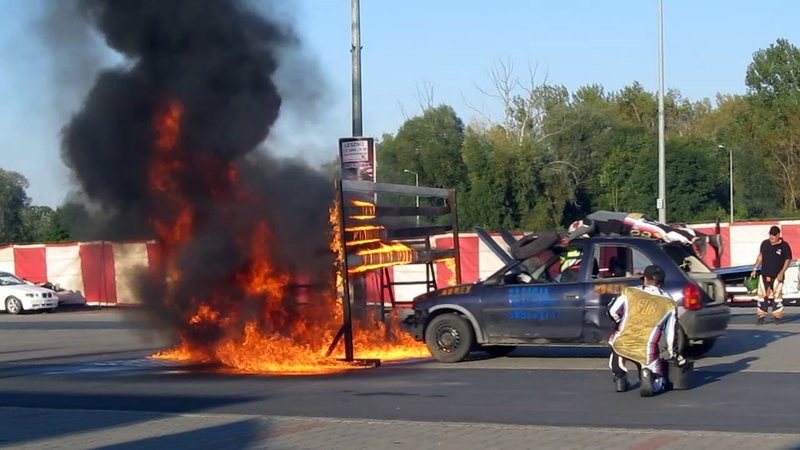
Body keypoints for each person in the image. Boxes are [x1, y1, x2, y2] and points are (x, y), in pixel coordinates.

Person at [607, 264, 685, 397]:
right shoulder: (669, 302)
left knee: (617, 344)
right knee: (660, 382)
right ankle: (648, 373)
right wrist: (674, 354)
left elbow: (612, 311)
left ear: (645, 279)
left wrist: (621, 322)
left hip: (622, 342)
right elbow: (671, 333)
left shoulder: (629, 292)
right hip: (646, 349)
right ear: (662, 282)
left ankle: (620, 377)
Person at [750, 225, 792, 325]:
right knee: (762, 296)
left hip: (777, 276)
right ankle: (761, 316)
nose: (771, 237)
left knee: (777, 296)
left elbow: (787, 259)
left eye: (774, 235)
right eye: (770, 235)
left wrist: (782, 272)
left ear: (778, 235)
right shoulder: (765, 244)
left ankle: (778, 316)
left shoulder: (784, 246)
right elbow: (761, 256)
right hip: (764, 275)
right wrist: (755, 268)